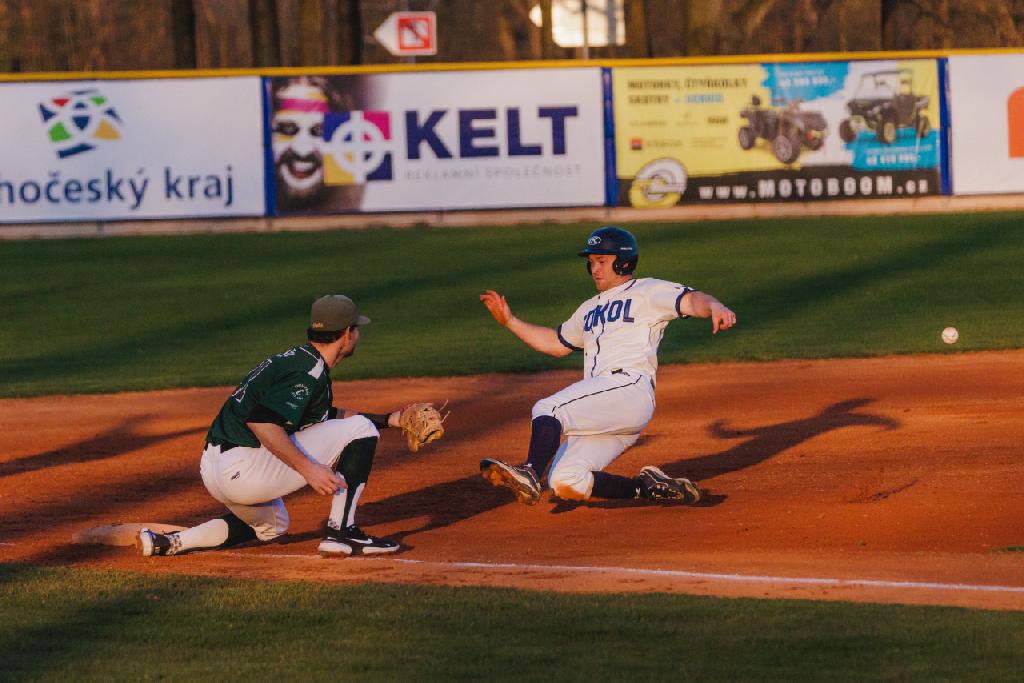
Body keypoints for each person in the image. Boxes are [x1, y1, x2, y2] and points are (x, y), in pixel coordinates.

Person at [137, 294, 415, 558]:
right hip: (242, 469)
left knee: (273, 524)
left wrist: (390, 419)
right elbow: (261, 421)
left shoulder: (299, 360)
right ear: (346, 333)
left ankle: (170, 542)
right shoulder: (309, 372)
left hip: (215, 470)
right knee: (361, 429)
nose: (357, 335)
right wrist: (309, 469)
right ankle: (342, 532)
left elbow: (320, 417)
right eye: (356, 329)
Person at [479, 226, 737, 506]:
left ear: (623, 262)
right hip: (606, 408)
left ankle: (529, 472)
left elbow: (692, 300)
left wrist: (715, 306)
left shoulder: (647, 291)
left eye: (602, 261)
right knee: (566, 482)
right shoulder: (588, 309)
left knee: (548, 408)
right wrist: (511, 322)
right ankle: (649, 488)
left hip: (628, 389)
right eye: (591, 263)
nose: (595, 269)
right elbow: (555, 343)